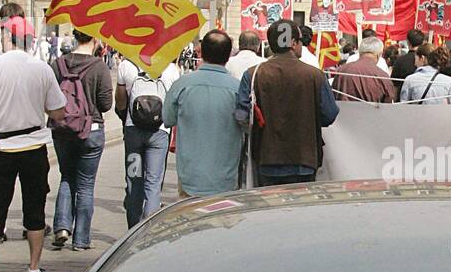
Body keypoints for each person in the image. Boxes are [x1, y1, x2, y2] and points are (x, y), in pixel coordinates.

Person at [0, 16, 66, 272]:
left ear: (9, 37)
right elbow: (58, 111)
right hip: (34, 146)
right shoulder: (42, 69)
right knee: (35, 211)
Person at [236, 19, 338, 186]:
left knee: (269, 209)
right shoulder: (315, 75)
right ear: (293, 43)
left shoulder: (253, 74)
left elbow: (242, 116)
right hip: (305, 157)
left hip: (266, 156)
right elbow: (329, 114)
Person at [50, 28, 113, 250]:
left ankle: (62, 227)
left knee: (66, 176)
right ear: (95, 39)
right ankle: (81, 239)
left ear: (75, 37)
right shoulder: (99, 66)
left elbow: (50, 97)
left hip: (62, 129)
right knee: (85, 185)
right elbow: (106, 104)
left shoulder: (58, 64)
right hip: (91, 130)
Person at [162, 30, 243, 198]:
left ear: (201, 52)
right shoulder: (238, 89)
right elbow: (247, 125)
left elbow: (168, 118)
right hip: (226, 179)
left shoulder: (182, 85)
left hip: (190, 176)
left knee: (191, 222)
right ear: (228, 55)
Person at [116, 53, 180, 227]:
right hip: (159, 133)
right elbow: (174, 104)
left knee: (133, 181)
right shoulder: (171, 69)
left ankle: (132, 230)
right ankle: (147, 232)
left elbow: (120, 103)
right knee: (153, 184)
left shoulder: (126, 66)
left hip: (133, 132)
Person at [331, 35, 395, 103]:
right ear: (379, 55)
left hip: (344, 112)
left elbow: (333, 95)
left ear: (360, 52)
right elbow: (388, 102)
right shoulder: (382, 76)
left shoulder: (342, 70)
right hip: (371, 112)